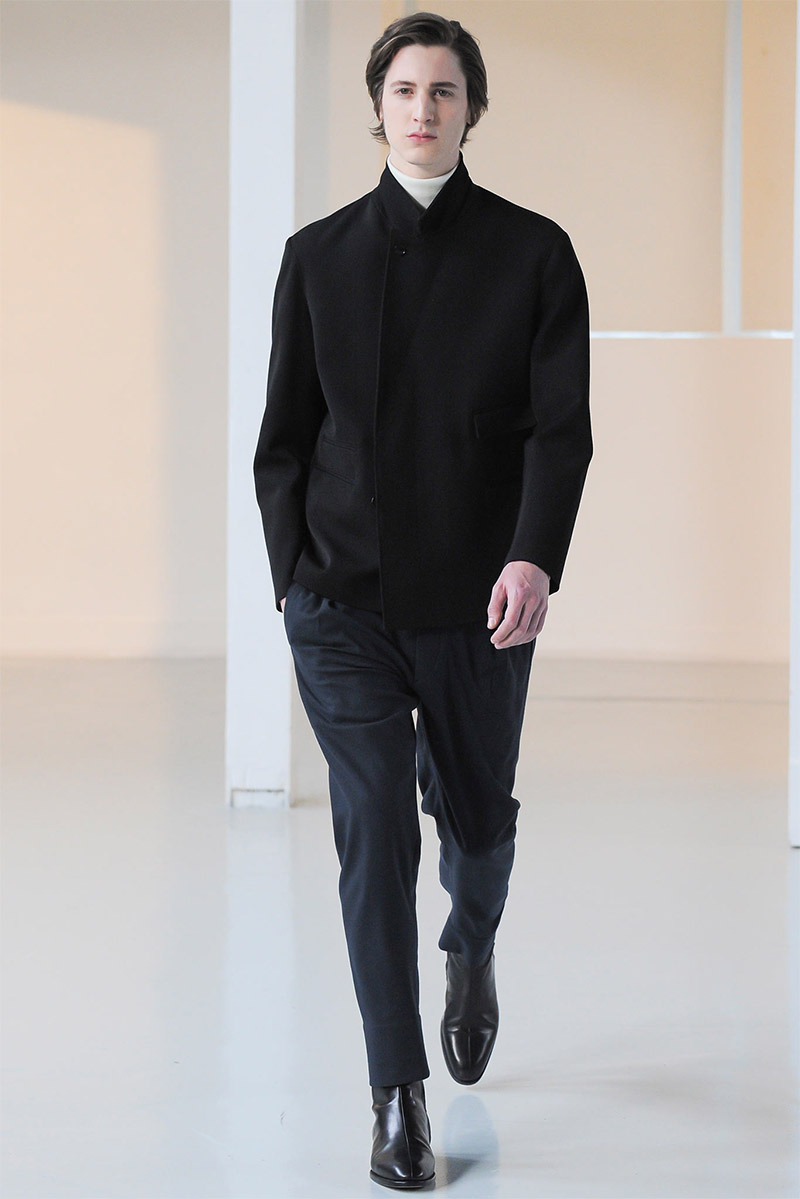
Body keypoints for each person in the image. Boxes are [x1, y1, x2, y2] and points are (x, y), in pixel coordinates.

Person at [254, 10, 592, 1190]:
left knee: (477, 822)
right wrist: (290, 577)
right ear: (378, 106)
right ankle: (395, 1093)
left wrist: (531, 557)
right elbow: (283, 436)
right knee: (373, 831)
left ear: (470, 111)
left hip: (477, 602)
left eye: (444, 90)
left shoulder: (533, 253)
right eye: (404, 88)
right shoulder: (316, 257)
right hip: (339, 602)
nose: (422, 108)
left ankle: (471, 942)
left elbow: (559, 432)